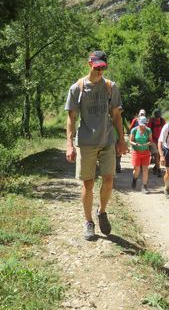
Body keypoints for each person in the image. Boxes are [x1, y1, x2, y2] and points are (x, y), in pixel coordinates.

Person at [65, 50, 127, 241]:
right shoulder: (77, 88)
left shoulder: (110, 87)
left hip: (107, 140)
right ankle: (88, 222)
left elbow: (116, 115)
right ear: (90, 64)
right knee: (88, 183)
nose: (100, 70)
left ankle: (102, 211)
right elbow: (71, 119)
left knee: (108, 180)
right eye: (97, 66)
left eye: (103, 67)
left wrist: (122, 139)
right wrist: (69, 144)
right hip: (86, 143)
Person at [129, 116, 154, 193]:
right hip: (136, 152)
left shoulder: (148, 130)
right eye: (141, 124)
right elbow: (130, 141)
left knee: (145, 170)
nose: (142, 126)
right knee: (137, 170)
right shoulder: (134, 130)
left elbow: (151, 141)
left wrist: (147, 144)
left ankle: (144, 186)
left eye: (144, 124)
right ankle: (134, 179)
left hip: (146, 152)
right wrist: (135, 144)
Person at [148, 109, 166, 177]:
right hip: (153, 140)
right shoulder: (151, 120)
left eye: (158, 116)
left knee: (159, 154)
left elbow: (165, 129)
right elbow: (148, 130)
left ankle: (156, 167)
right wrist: (150, 140)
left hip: (160, 140)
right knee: (156, 154)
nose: (158, 117)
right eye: (157, 116)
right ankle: (158, 169)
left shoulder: (162, 120)